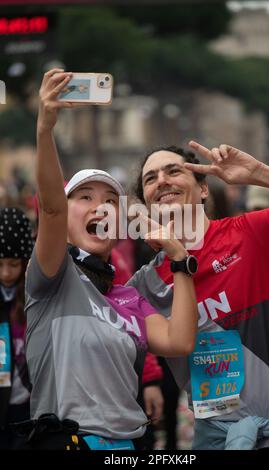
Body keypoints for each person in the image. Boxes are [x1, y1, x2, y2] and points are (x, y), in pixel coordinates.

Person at [21, 69, 198, 450]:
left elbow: (180, 341)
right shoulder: (53, 278)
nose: (99, 206)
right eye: (84, 197)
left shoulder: (129, 296)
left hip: (128, 447)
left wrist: (180, 258)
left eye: (109, 200)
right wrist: (45, 126)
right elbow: (50, 209)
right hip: (68, 442)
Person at [128, 142, 269, 450]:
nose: (162, 181)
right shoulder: (144, 285)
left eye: (174, 170)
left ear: (204, 188)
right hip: (218, 439)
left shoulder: (253, 231)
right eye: (150, 178)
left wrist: (259, 173)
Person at [0, 208, 34, 449]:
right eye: (0, 264)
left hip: (28, 409)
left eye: (13, 264)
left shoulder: (33, 300)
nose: (6, 273)